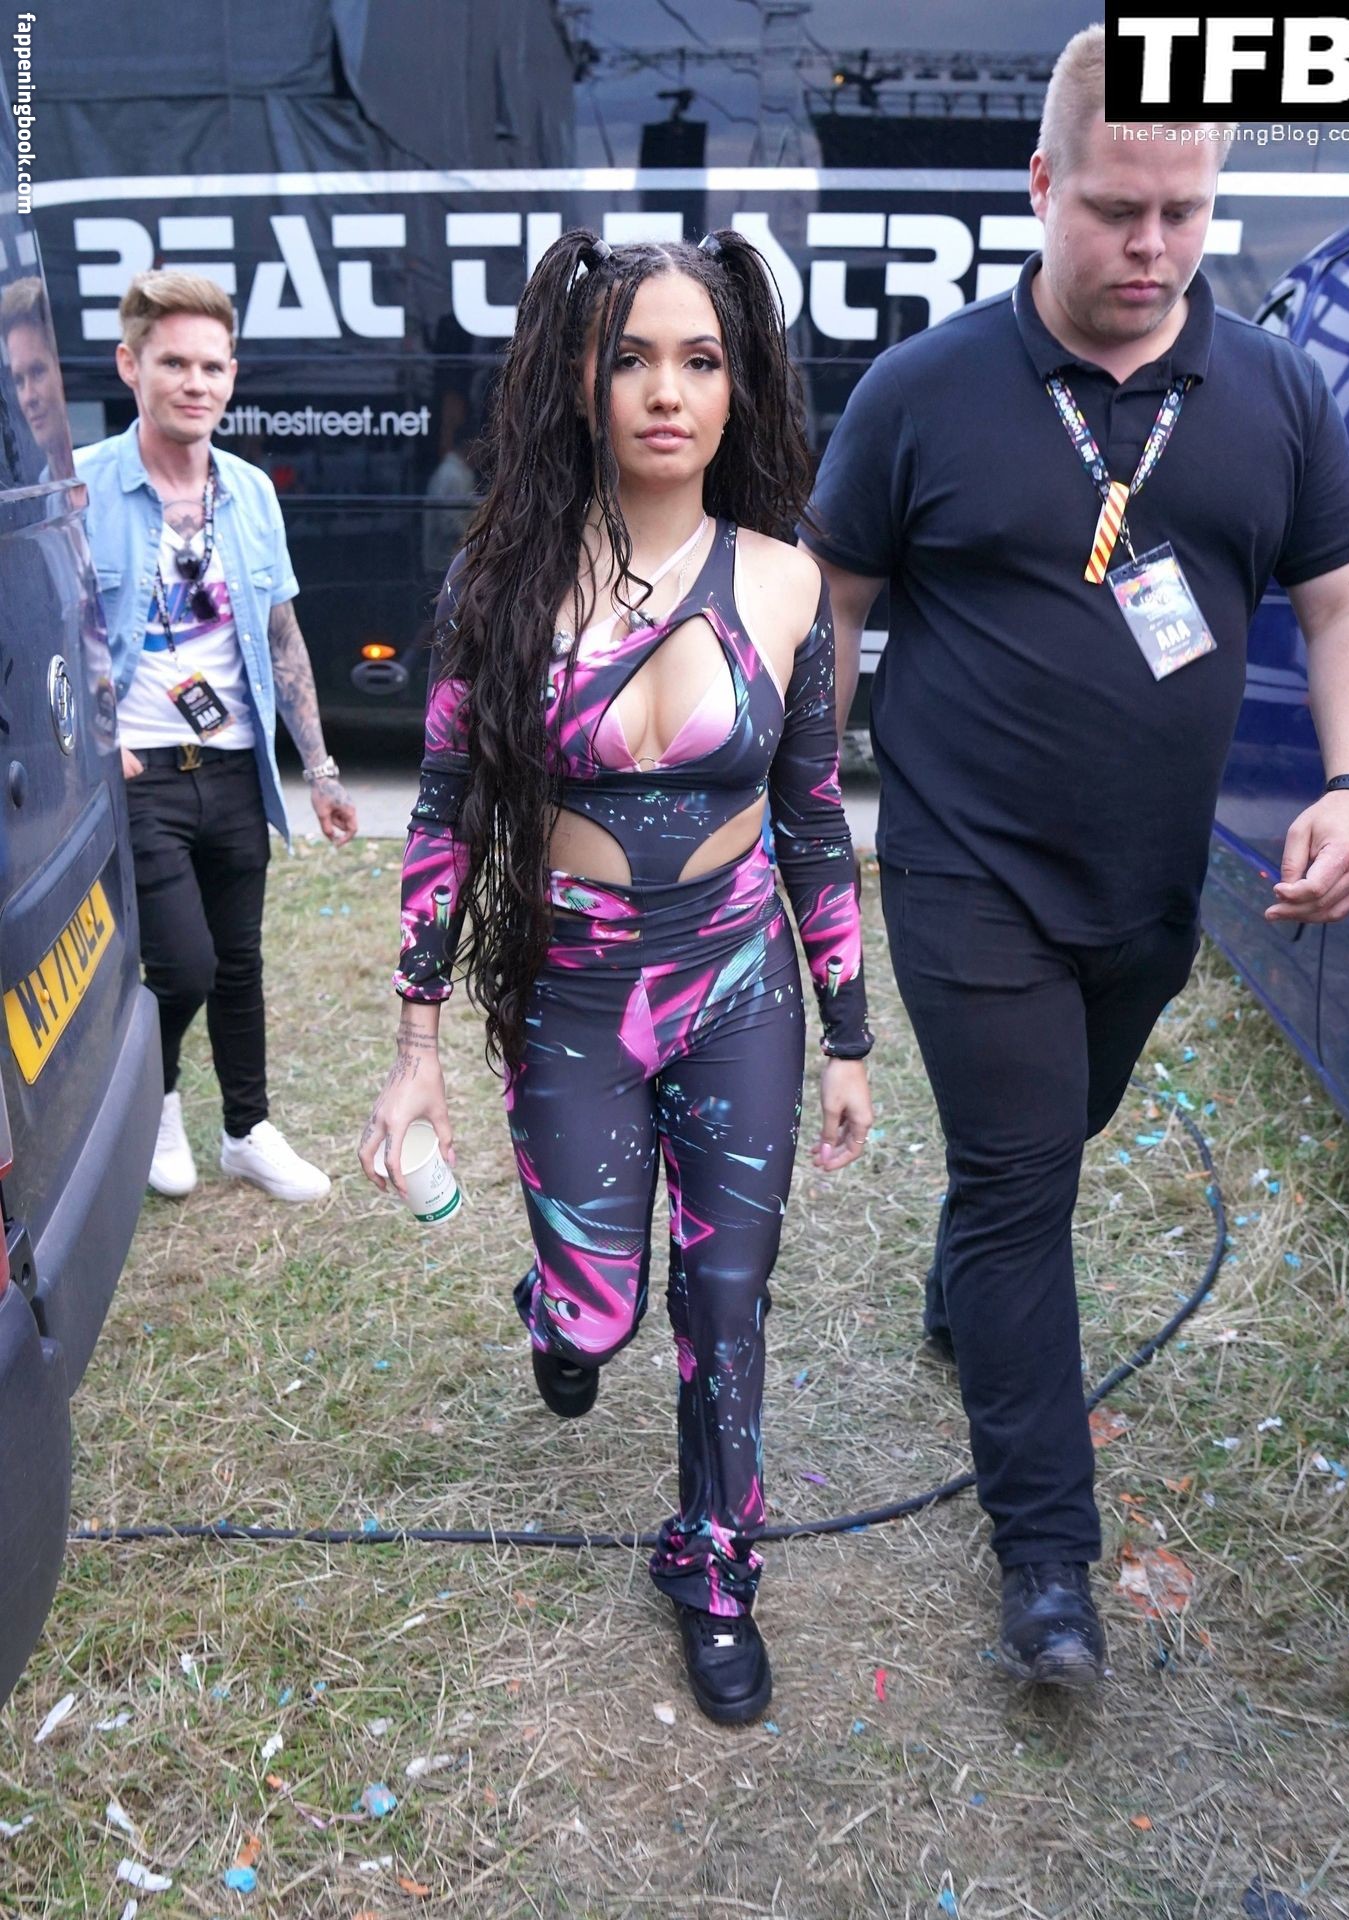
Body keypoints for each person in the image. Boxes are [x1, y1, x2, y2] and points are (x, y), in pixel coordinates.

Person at [802, 26, 1349, 1690]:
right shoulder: (923, 393)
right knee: (1022, 1186)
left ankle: (963, 1282)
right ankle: (1048, 1564)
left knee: (1059, 1125)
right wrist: (796, 801)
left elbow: (1346, 595)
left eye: (1184, 213)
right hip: (963, 866)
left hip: (1150, 888)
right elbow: (831, 601)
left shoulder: (1271, 394)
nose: (1153, 247)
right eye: (1118, 209)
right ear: (1041, 185)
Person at [359, 230, 874, 1725]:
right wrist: (417, 1045)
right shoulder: (502, 580)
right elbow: (445, 809)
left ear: (738, 384)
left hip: (737, 988)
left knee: (728, 1299)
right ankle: (561, 1314)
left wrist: (846, 1035)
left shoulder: (785, 581)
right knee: (599, 1317)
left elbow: (814, 818)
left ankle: (714, 1567)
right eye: (632, 358)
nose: (665, 391)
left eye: (699, 360)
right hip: (574, 996)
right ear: (578, 384)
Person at [77, 271, 358, 1202]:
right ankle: (155, 1105)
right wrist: (93, 740)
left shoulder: (250, 492)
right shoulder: (82, 487)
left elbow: (281, 635)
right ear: (131, 366)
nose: (195, 383)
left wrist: (320, 767)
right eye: (174, 363)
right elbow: (45, 634)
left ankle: (247, 1131)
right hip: (138, 770)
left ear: (232, 374)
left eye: (212, 366)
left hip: (236, 764)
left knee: (238, 962)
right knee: (184, 962)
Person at [0, 275, 73, 473]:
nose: (28, 397)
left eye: (38, 372)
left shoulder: (106, 476)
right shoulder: (42, 486)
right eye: (19, 381)